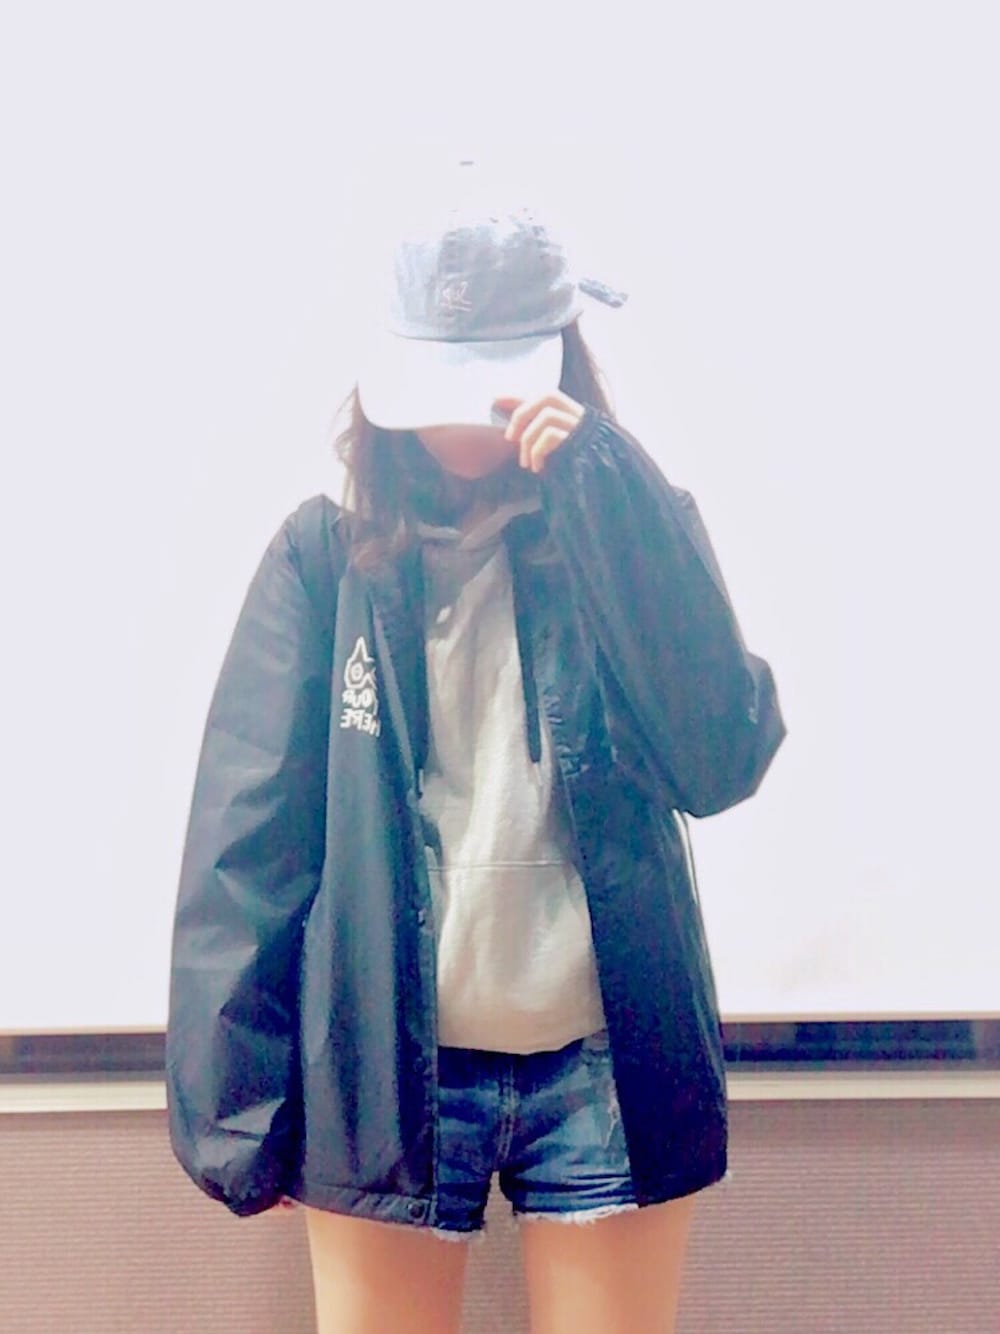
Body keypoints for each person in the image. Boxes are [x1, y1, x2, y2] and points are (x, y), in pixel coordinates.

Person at [165, 163, 788, 1334]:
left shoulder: (627, 524)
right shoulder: (323, 559)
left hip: (603, 1060)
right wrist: (237, 1108)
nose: (461, 421)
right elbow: (248, 844)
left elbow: (720, 755)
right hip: (384, 1066)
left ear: (557, 362)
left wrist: (612, 498)